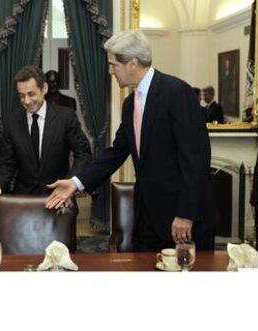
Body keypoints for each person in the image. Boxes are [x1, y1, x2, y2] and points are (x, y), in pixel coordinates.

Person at [45, 29, 215, 252]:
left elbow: (196, 160)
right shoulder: (130, 104)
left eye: (113, 64)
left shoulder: (177, 93)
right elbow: (115, 153)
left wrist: (185, 213)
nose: (110, 71)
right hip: (146, 218)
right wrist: (76, 183)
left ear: (133, 63)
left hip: (181, 220)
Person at [0, 65, 91, 204]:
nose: (26, 101)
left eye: (31, 94)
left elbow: (83, 153)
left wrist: (71, 182)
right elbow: (6, 163)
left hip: (59, 198)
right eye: (22, 96)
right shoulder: (11, 122)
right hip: (23, 201)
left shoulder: (65, 117)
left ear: (44, 89)